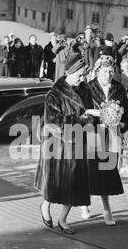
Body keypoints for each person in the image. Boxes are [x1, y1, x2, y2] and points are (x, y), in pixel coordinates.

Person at [34, 54, 93, 234]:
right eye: (80, 75)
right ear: (70, 72)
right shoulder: (54, 94)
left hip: (78, 143)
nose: (82, 79)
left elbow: (89, 113)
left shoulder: (84, 90)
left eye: (84, 75)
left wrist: (91, 119)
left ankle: (63, 219)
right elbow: (53, 123)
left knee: (75, 186)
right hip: (58, 147)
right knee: (56, 185)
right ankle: (45, 206)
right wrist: (80, 120)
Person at [82, 55, 128, 225]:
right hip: (93, 135)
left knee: (108, 172)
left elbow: (127, 113)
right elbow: (82, 112)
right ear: (97, 71)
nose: (108, 74)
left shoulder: (118, 88)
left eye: (111, 71)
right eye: (105, 71)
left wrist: (122, 123)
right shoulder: (88, 88)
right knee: (90, 172)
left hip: (111, 136)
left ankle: (106, 209)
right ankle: (84, 203)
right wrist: (92, 117)